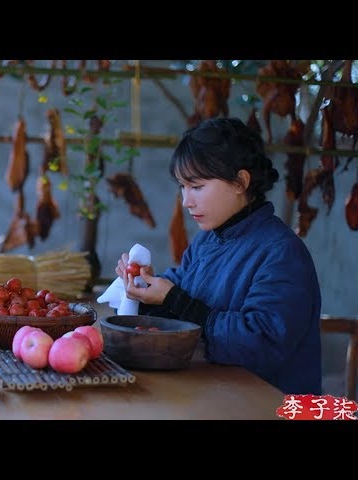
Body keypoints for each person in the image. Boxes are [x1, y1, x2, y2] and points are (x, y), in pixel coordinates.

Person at [116, 117, 322, 395]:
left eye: (197, 187)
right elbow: (179, 291)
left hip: (268, 405)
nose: (187, 200)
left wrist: (174, 299)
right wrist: (142, 287)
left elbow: (260, 344)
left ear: (240, 182)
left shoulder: (282, 253)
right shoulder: (208, 241)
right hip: (216, 395)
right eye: (182, 187)